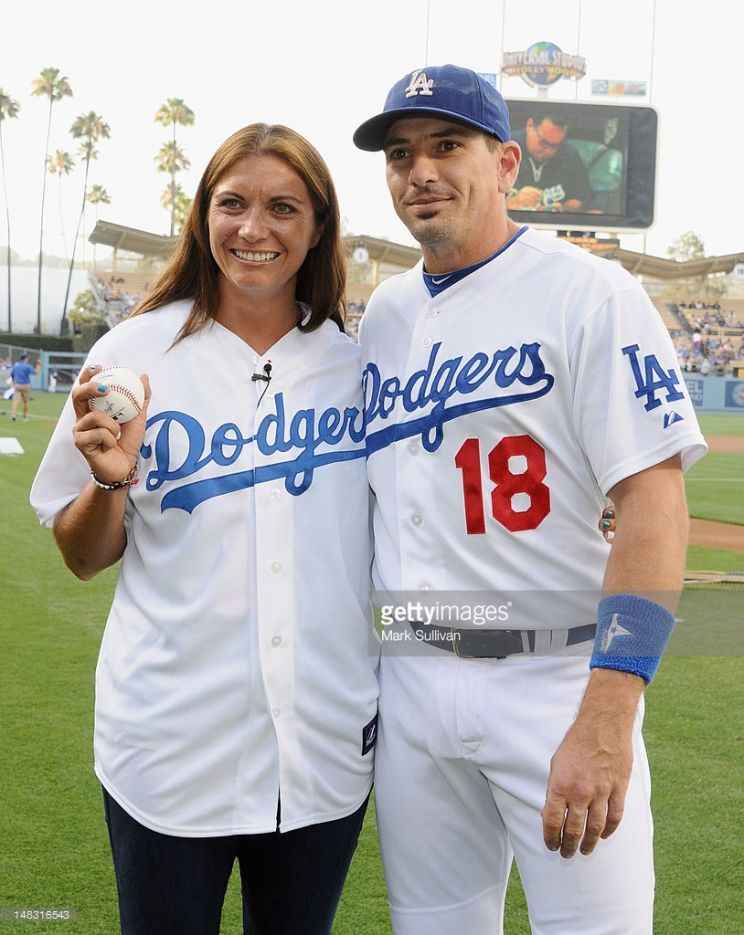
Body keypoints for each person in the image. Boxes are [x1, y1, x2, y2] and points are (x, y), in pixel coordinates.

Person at [353, 64, 707, 934]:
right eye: (401, 154)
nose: (420, 171)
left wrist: (608, 714)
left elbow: (654, 504)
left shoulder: (590, 290)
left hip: (554, 679)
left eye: (447, 146)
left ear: (507, 162)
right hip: (413, 680)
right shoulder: (385, 318)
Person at [30, 123, 378, 935]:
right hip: (170, 742)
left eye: (283, 207)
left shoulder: (356, 367)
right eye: (233, 204)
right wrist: (111, 478)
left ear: (318, 226)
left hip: (321, 744)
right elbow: (83, 555)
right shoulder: (133, 351)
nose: (254, 229)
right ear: (203, 217)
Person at [506, 112, 592, 212]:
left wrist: (564, 209)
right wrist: (510, 203)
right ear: (530, 126)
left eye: (555, 146)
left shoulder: (569, 155)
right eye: (544, 143)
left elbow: (584, 199)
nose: (549, 151)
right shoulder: (505, 149)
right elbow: (484, 205)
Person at [10, 353, 39, 421]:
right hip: (26, 385)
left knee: (16, 400)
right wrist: (38, 365)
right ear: (25, 359)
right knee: (26, 402)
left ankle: (13, 414)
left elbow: (12, 375)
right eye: (27, 358)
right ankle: (24, 417)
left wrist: (14, 383)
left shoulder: (16, 366)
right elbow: (36, 372)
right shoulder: (28, 366)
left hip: (17, 385)